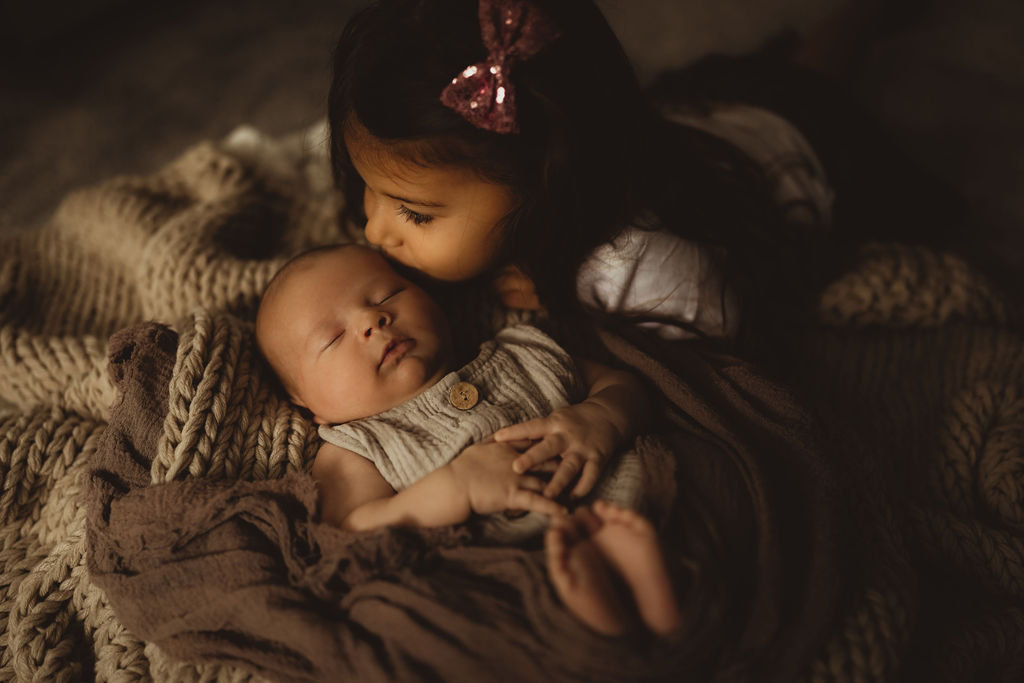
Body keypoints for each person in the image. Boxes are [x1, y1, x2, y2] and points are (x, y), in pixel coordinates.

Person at [326, 0, 840, 354]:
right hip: (693, 114)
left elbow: (724, 360)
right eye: (369, 185)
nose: (374, 228)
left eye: (414, 213)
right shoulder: (531, 157)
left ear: (542, 184)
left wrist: (565, 303)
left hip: (803, 140)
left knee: (822, 68)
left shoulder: (649, 272)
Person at [255, 243, 681, 636]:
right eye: (332, 338)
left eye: (387, 296)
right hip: (501, 573)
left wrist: (600, 416)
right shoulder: (357, 448)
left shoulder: (524, 352)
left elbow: (622, 385)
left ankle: (645, 595)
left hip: (623, 502)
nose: (372, 320)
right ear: (307, 404)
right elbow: (350, 532)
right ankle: (605, 610)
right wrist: (455, 487)